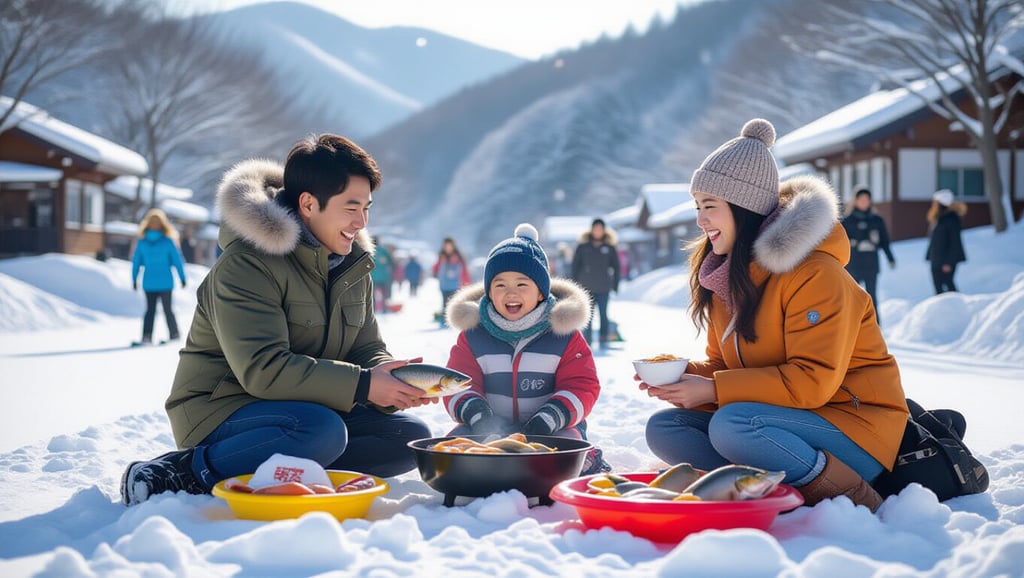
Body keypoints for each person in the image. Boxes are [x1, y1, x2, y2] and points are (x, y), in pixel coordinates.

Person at [120, 134, 436, 505]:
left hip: (306, 407)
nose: (361, 221)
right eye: (351, 208)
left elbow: (365, 347)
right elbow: (263, 369)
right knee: (320, 431)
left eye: (367, 208)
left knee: (407, 437)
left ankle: (300, 471)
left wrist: (392, 380)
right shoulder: (248, 264)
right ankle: (185, 470)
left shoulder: (352, 266)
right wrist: (365, 385)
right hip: (222, 410)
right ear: (308, 203)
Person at [642, 119, 908, 513]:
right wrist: (683, 378)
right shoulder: (726, 276)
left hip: (855, 426)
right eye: (698, 207)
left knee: (732, 425)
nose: (700, 221)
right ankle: (765, 492)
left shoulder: (817, 274)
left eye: (710, 207)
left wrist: (713, 390)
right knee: (666, 428)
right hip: (782, 419)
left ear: (743, 207)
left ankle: (853, 498)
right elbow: (722, 364)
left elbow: (813, 381)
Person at [442, 224, 610, 475]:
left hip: (552, 426)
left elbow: (582, 384)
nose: (511, 292)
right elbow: (455, 383)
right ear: (488, 291)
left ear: (541, 293)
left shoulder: (563, 334)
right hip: (488, 426)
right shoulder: (473, 335)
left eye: (522, 285)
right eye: (500, 285)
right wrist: (478, 415)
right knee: (453, 451)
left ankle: (587, 458)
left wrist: (550, 417)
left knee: (566, 452)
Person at [131, 208, 187, 346]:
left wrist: (134, 279)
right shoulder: (168, 242)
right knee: (168, 309)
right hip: (165, 282)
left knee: (150, 310)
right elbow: (177, 261)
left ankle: (147, 336)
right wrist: (182, 277)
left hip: (149, 282)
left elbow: (136, 263)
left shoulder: (142, 242)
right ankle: (174, 334)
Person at [841, 187, 895, 321]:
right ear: (855, 201)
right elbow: (839, 243)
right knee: (852, 297)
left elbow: (884, 241)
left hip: (871, 264)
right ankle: (852, 325)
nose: (864, 202)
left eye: (867, 199)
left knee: (871, 296)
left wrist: (890, 258)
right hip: (853, 264)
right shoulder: (848, 221)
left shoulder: (876, 220)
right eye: (861, 199)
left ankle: (874, 327)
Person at [571, 218, 620, 347]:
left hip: (604, 287)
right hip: (586, 288)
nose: (597, 231)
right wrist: (574, 287)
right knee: (588, 316)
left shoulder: (609, 248)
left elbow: (616, 267)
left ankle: (603, 339)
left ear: (604, 230)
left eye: (600, 228)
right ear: (591, 230)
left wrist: (615, 285)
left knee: (604, 315)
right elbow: (575, 266)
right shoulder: (583, 247)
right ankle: (587, 342)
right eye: (595, 228)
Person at [925, 189, 967, 294]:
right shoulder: (938, 219)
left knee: (949, 285)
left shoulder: (952, 219)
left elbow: (955, 243)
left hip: (945, 262)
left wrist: (949, 262)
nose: (933, 204)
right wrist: (929, 256)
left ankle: (957, 306)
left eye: (935, 202)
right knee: (938, 288)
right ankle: (941, 309)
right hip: (936, 260)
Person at [432, 237, 470, 321]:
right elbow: (436, 267)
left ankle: (453, 319)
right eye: (446, 246)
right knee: (445, 303)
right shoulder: (441, 256)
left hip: (455, 285)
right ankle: (444, 320)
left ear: (453, 246)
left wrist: (466, 282)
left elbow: (464, 271)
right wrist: (434, 272)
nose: (448, 248)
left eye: (449, 246)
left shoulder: (459, 257)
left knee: (454, 303)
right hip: (444, 285)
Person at [370, 237, 395, 312]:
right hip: (383, 277)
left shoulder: (369, 250)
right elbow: (391, 263)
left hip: (372, 277)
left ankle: (373, 309)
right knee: (384, 294)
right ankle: (384, 309)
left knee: (372, 295)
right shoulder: (384, 251)